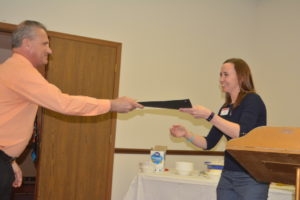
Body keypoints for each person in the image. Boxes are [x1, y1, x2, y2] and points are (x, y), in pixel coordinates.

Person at [0, 20, 143, 200]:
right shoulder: (21, 72)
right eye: (45, 43)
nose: (50, 50)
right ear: (27, 43)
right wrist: (112, 104)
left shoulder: (9, 69)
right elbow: (63, 103)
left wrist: (8, 160)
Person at [170, 58, 269, 200]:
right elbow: (208, 143)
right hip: (228, 174)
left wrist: (210, 116)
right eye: (220, 75)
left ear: (241, 77)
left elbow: (242, 134)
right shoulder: (225, 108)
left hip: (251, 177)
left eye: (226, 74)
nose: (221, 79)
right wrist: (186, 134)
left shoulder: (252, 100)